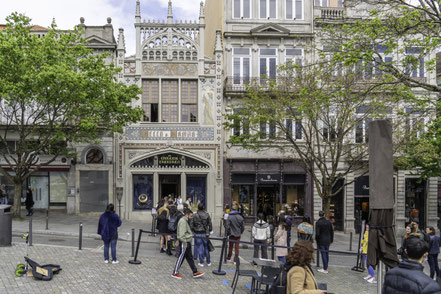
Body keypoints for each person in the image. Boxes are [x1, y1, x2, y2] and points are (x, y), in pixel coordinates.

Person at [171, 208, 204, 280]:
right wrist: (184, 242)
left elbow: (179, 231)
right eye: (191, 216)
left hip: (186, 241)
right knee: (181, 256)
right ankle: (175, 272)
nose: (191, 217)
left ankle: (195, 271)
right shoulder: (183, 221)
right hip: (185, 242)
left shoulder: (184, 221)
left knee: (189, 257)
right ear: (187, 214)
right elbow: (182, 234)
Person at [191, 203, 213, 267]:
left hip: (197, 232)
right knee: (206, 247)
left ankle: (201, 262)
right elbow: (210, 224)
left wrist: (193, 230)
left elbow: (191, 224)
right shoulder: (206, 214)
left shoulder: (195, 215)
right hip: (205, 232)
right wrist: (210, 230)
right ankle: (208, 262)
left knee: (200, 247)